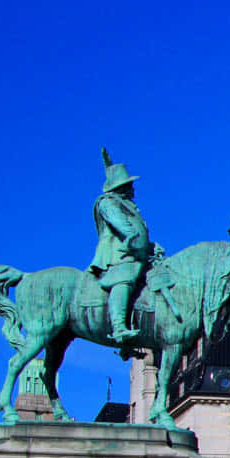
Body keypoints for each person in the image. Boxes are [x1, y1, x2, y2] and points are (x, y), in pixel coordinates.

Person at [89, 149, 155, 350]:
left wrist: (151, 247)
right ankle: (119, 328)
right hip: (119, 254)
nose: (133, 187)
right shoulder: (107, 203)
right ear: (121, 187)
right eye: (129, 184)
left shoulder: (129, 204)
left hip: (137, 252)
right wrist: (131, 236)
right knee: (124, 279)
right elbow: (120, 224)